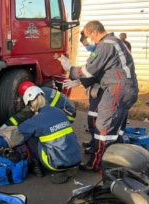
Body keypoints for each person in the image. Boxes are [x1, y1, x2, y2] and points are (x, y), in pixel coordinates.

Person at [59, 20, 138, 172]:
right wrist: (82, 82)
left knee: (104, 127)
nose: (90, 41)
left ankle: (98, 164)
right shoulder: (113, 42)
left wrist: (71, 69)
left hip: (117, 89)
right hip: (125, 88)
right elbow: (102, 70)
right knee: (116, 127)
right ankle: (114, 157)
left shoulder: (105, 45)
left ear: (94, 32)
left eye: (89, 37)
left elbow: (89, 70)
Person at [7, 86, 81, 184]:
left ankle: (37, 168)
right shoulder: (59, 111)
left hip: (56, 164)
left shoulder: (36, 120)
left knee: (30, 137)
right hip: (77, 158)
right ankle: (70, 166)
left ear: (31, 106)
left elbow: (15, 138)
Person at [0, 81, 77, 128]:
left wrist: (6, 126)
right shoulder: (43, 90)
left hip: (67, 116)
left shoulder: (37, 98)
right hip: (69, 110)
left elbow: (23, 115)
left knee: (39, 126)